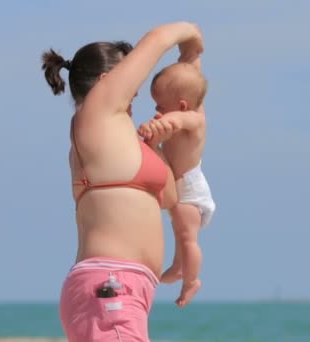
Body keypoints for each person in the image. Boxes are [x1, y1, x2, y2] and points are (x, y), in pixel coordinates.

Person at [41, 22, 203, 342]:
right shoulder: (95, 114)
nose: (135, 98)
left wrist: (159, 144)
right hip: (110, 286)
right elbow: (159, 38)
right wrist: (192, 41)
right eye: (132, 89)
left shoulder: (122, 137)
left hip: (126, 290)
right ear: (107, 82)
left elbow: (170, 197)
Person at [138, 58, 215, 308]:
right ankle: (179, 266)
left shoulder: (193, 120)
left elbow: (180, 121)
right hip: (180, 186)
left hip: (191, 190)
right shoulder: (182, 113)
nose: (156, 111)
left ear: (182, 105)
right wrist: (190, 55)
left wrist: (163, 123)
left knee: (187, 236)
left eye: (160, 105)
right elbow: (193, 73)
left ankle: (191, 280)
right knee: (179, 232)